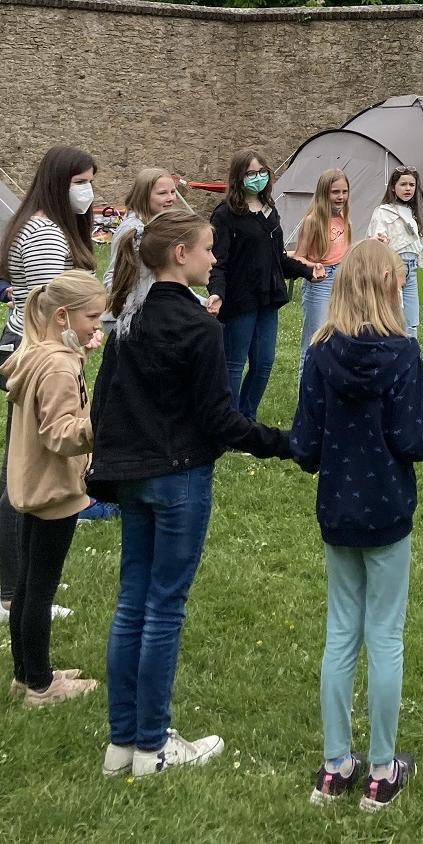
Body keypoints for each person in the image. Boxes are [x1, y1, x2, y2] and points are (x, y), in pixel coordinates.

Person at [92, 209, 292, 778]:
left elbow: (105, 407)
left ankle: (122, 742)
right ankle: (151, 745)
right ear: (179, 254)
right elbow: (220, 420)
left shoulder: (127, 324)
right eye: (208, 250)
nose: (215, 258)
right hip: (178, 480)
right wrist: (287, 443)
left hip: (136, 478)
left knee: (134, 602)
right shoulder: (199, 328)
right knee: (161, 607)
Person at [291, 238, 423, 811]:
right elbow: (410, 439)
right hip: (386, 508)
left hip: (339, 505)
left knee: (342, 631)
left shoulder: (319, 353)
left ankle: (336, 762)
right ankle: (381, 768)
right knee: (383, 634)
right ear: (387, 286)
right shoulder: (402, 354)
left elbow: (306, 447)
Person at [0, 145, 97, 624]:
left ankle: (19, 586)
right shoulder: (44, 233)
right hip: (39, 356)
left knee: (20, 466)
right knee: (26, 473)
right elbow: (49, 308)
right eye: (81, 181)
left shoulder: (45, 225)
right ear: (60, 182)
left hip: (34, 352)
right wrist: (75, 346)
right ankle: (14, 590)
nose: (89, 191)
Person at [2, 270, 104, 707]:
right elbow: (61, 433)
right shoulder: (60, 366)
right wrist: (105, 426)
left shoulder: (37, 352)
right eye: (93, 318)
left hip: (29, 484)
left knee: (26, 583)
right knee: (40, 588)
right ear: (62, 316)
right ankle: (41, 686)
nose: (97, 328)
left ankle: (25, 674)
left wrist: (79, 352)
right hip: (55, 491)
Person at [206, 149, 321, 420]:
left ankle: (248, 418)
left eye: (261, 172)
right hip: (239, 299)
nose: (257, 177)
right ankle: (230, 424)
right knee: (235, 363)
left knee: (264, 363)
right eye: (250, 173)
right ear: (238, 178)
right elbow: (217, 261)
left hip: (268, 298)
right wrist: (217, 293)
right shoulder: (225, 215)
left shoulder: (270, 210)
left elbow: (277, 258)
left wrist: (306, 270)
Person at [366, 165, 423, 339]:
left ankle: (408, 359)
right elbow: (376, 239)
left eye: (412, 185)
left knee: (412, 321)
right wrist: (380, 241)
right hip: (392, 270)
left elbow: (420, 250)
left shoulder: (413, 215)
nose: (408, 189)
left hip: (411, 271)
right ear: (393, 187)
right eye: (403, 184)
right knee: (392, 319)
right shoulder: (383, 212)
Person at [102, 167, 178, 335]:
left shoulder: (157, 225)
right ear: (144, 195)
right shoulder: (133, 230)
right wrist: (124, 310)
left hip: (150, 314)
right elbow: (113, 275)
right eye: (162, 193)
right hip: (127, 319)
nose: (171, 198)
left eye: (173, 192)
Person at [294, 168, 351, 374]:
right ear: (324, 193)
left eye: (344, 192)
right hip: (320, 281)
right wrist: (313, 266)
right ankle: (306, 400)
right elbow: (298, 257)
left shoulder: (344, 219)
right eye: (335, 192)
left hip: (341, 281)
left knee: (337, 337)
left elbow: (344, 251)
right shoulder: (312, 221)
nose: (340, 197)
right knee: (314, 340)